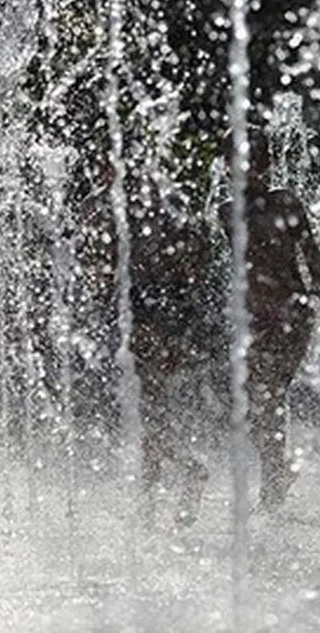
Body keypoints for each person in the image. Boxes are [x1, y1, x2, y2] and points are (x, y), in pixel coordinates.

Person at [219, 128, 320, 511]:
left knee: (267, 396)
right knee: (255, 402)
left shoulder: (285, 202)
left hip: (290, 313)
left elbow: (310, 247)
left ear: (267, 163)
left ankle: (274, 479)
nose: (244, 168)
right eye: (236, 161)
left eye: (253, 160)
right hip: (254, 317)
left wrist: (319, 286)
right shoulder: (226, 210)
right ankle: (278, 470)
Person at [129, 190, 217, 527]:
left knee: (153, 419)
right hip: (160, 336)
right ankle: (147, 503)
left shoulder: (169, 247)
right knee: (152, 418)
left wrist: (170, 342)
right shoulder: (179, 244)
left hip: (164, 338)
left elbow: (182, 297)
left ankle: (188, 473)